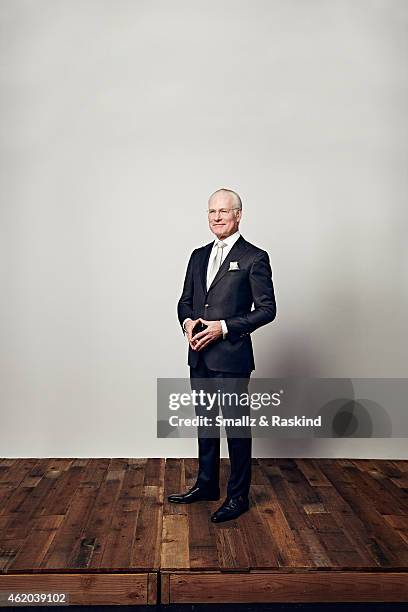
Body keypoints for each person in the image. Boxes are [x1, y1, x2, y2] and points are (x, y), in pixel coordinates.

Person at [168, 188, 276, 522]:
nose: (216, 217)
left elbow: (267, 310)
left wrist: (223, 328)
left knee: (236, 428)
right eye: (212, 211)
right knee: (206, 424)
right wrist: (187, 323)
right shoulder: (198, 255)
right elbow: (185, 301)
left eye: (223, 211)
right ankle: (206, 485)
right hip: (198, 355)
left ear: (238, 215)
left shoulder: (254, 257)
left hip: (231, 357)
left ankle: (238, 496)